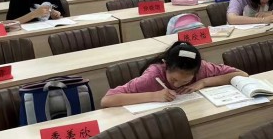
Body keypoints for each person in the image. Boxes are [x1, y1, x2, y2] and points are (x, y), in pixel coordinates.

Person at [101, 42, 247, 107]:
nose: (177, 85)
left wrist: (203, 82)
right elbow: (107, 100)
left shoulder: (202, 69)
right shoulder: (153, 76)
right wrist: (154, 96)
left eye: (185, 81)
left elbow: (241, 74)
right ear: (166, 65)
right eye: (173, 79)